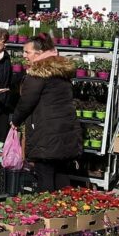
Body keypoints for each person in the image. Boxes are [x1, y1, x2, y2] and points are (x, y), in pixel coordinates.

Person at [11, 33, 82, 192]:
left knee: (45, 174)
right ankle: (65, 211)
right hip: (66, 129)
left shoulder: (37, 74)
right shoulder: (61, 71)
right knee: (61, 173)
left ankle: (47, 212)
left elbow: (26, 102)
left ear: (38, 53)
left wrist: (15, 120)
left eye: (27, 52)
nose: (24, 56)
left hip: (46, 132)